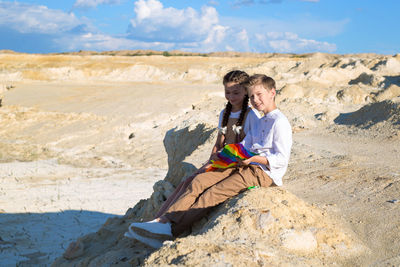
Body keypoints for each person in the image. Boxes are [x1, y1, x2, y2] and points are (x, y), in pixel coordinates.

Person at [127, 74, 292, 246]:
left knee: (213, 194)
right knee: (197, 181)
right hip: (245, 164)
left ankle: (170, 232)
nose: (255, 100)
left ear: (272, 93)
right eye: (252, 96)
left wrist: (253, 159)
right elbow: (246, 144)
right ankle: (162, 222)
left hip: (263, 173)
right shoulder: (261, 119)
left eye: (259, 95)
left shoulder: (279, 122)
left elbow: (281, 159)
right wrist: (225, 158)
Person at [153, 70, 260, 219]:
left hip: (236, 163)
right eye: (227, 92)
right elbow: (218, 143)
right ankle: (158, 217)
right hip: (221, 160)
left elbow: (249, 149)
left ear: (246, 92)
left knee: (197, 183)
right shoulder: (225, 113)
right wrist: (210, 162)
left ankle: (170, 219)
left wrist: (220, 162)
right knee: (187, 181)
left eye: (235, 93)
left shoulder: (252, 116)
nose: (231, 97)